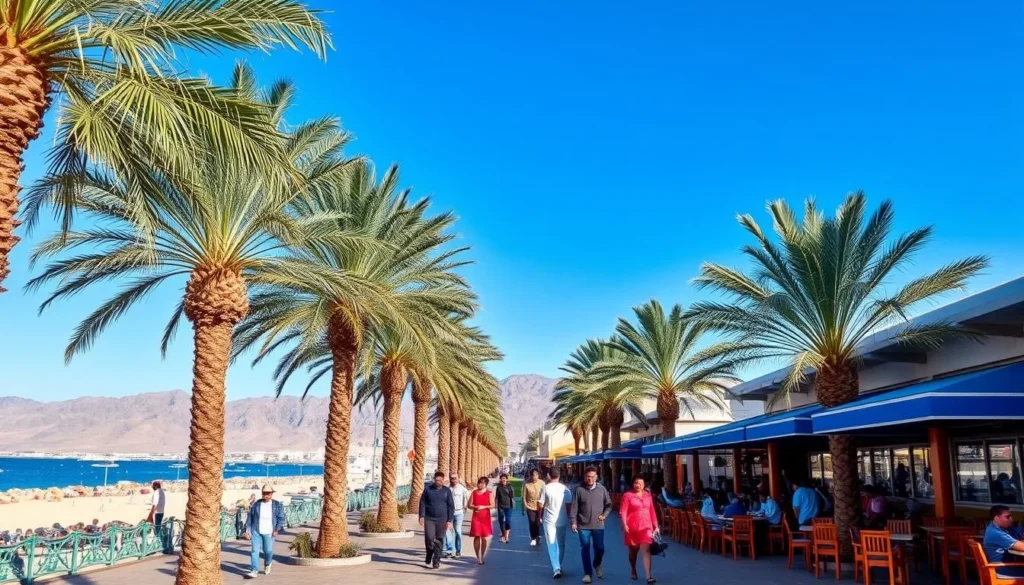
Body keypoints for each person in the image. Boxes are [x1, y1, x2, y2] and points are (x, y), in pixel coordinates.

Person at [571, 467, 612, 584]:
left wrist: (605, 515)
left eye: (592, 476)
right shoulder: (578, 490)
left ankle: (597, 564)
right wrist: (573, 522)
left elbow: (609, 505)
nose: (590, 479)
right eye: (588, 476)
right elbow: (574, 507)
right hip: (583, 525)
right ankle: (587, 573)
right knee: (585, 547)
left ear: (596, 477)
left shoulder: (602, 489)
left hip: (598, 524)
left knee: (600, 548)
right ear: (584, 477)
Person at [620, 475, 659, 584]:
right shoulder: (628, 496)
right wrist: (624, 524)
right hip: (632, 527)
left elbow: (652, 511)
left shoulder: (648, 495)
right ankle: (633, 568)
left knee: (646, 550)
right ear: (633, 484)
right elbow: (623, 511)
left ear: (644, 485)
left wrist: (656, 525)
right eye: (636, 483)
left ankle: (648, 576)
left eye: (640, 483)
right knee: (633, 552)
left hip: (646, 527)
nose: (638, 485)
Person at [244, 484, 286, 579]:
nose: (265, 495)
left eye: (268, 493)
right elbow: (250, 517)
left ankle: (268, 563)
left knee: (268, 551)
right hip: (256, 531)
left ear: (271, 494)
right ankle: (254, 570)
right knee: (254, 551)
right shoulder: (256, 504)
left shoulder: (277, 505)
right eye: (264, 493)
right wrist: (247, 529)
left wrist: (276, 529)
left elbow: (281, 518)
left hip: (269, 532)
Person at [538, 467, 573, 579]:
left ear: (549, 475)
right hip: (562, 519)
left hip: (549, 520)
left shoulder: (546, 488)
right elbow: (569, 506)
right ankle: (558, 565)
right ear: (559, 476)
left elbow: (540, 504)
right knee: (561, 544)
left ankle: (556, 568)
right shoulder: (565, 489)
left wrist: (539, 515)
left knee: (552, 544)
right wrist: (570, 518)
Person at [418, 471, 454, 569]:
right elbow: (422, 503)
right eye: (436, 480)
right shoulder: (428, 489)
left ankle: (436, 561)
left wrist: (449, 520)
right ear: (434, 480)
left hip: (442, 519)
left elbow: (451, 506)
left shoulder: (447, 491)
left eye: (440, 480)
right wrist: (421, 516)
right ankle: (429, 553)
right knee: (429, 538)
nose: (438, 482)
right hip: (429, 519)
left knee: (439, 540)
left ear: (443, 480)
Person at [984, 504, 1024, 578]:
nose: (1011, 519)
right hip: (1003, 569)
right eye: (1007, 517)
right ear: (997, 518)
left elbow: (1019, 532)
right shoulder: (996, 533)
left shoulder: (1000, 528)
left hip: (1007, 566)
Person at [468, 476, 495, 565]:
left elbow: (492, 505)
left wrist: (484, 507)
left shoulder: (489, 493)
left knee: (484, 537)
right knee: (476, 536)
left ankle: (482, 556)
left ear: (486, 484)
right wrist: (475, 507)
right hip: (476, 517)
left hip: (485, 517)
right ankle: (478, 557)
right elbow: (469, 505)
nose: (480, 484)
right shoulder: (474, 493)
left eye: (482, 483)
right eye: (479, 482)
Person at [445, 471, 469, 558]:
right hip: (449, 513)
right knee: (448, 531)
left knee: (458, 531)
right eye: (452, 478)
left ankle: (458, 550)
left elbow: (466, 498)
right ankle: (449, 550)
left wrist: (464, 508)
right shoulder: (447, 489)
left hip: (459, 513)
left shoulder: (462, 489)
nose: (453, 480)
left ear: (458, 479)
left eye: (455, 478)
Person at [523, 468, 544, 547]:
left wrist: (543, 504)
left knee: (538, 522)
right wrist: (525, 506)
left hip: (540, 506)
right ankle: (533, 538)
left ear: (538, 475)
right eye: (533, 475)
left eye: (535, 475)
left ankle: (537, 536)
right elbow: (524, 496)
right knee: (532, 522)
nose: (534, 477)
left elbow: (544, 495)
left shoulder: (542, 483)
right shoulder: (527, 484)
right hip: (530, 506)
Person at [495, 473, 515, 543]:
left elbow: (512, 497)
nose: (503, 479)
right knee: (501, 521)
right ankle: (503, 535)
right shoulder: (498, 487)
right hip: (501, 506)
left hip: (509, 506)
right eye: (502, 478)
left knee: (508, 521)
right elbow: (497, 497)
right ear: (500, 479)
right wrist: (496, 505)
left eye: (504, 478)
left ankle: (507, 536)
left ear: (506, 479)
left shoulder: (510, 487)